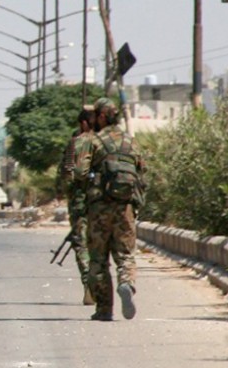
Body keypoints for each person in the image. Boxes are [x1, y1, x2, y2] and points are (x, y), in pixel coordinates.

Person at [74, 97, 146, 322]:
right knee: (125, 255)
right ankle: (126, 283)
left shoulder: (93, 141)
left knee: (98, 259)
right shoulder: (130, 142)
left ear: (102, 116)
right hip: (124, 208)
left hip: (99, 209)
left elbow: (79, 172)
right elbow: (142, 175)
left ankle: (104, 309)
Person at [56, 108, 97, 306]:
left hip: (81, 202)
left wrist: (67, 194)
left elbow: (66, 175)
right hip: (107, 203)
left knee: (81, 243)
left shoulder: (76, 142)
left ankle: (90, 284)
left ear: (82, 123)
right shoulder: (107, 141)